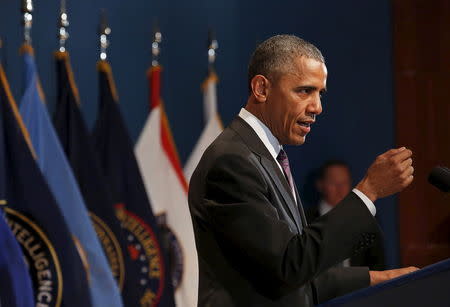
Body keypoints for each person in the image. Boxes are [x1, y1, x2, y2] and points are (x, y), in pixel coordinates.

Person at [188, 35, 417, 306]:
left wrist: (378, 279)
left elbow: (297, 276)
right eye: (304, 91)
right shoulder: (231, 162)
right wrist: (369, 190)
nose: (317, 107)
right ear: (261, 88)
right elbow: (289, 265)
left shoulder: (266, 156)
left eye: (320, 93)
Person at [305, 160, 386, 270]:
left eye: (344, 183)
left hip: (360, 285)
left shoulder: (365, 217)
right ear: (320, 185)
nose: (340, 189)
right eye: (333, 183)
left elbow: (378, 263)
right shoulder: (306, 219)